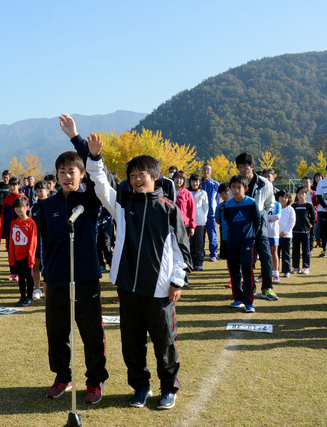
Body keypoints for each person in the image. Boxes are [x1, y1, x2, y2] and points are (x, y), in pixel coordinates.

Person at [86, 133, 192, 410]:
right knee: (132, 343)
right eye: (132, 175)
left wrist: (177, 281)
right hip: (128, 288)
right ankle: (140, 386)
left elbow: (182, 250)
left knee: (164, 342)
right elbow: (101, 186)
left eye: (141, 174)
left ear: (155, 177)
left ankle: (169, 387)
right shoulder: (123, 205)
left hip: (159, 291)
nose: (135, 179)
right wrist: (95, 158)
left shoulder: (168, 209)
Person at [41, 115, 109, 405]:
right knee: (57, 332)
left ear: (81, 175)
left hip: (85, 277)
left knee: (91, 332)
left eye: (73, 171)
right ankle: (62, 377)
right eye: (62, 171)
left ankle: (94, 381)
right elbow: (45, 243)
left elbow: (100, 174)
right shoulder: (46, 206)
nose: (68, 176)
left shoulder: (90, 199)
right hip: (56, 279)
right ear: (55, 175)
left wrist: (77, 140)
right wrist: (45, 275)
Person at [235, 153, 278, 301]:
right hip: (244, 226)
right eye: (240, 167)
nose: (243, 169)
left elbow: (269, 204)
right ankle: (250, 287)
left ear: (252, 167)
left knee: (266, 257)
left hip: (261, 225)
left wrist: (258, 214)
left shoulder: (264, 183)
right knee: (247, 260)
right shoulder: (237, 182)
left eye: (245, 166)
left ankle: (267, 288)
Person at [225, 174, 260, 313]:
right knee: (234, 272)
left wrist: (251, 237)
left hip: (247, 243)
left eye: (239, 187)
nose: (236, 190)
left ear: (245, 188)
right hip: (232, 243)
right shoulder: (227, 205)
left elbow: (257, 221)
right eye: (233, 187)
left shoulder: (251, 203)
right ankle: (237, 298)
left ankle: (248, 301)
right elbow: (227, 222)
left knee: (247, 271)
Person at [8, 196, 37, 306]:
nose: (18, 210)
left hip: (27, 256)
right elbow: (11, 241)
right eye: (16, 207)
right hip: (17, 256)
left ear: (27, 208)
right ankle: (22, 296)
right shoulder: (13, 223)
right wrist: (11, 257)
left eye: (21, 207)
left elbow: (33, 241)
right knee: (20, 278)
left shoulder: (31, 223)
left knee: (29, 277)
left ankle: (30, 297)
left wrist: (31, 257)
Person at [2, 177, 27, 281]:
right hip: (9, 230)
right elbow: (4, 216)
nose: (12, 187)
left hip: (21, 230)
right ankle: (13, 272)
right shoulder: (6, 199)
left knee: (20, 251)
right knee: (10, 252)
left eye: (15, 185)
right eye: (11, 185)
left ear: (19, 186)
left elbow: (27, 215)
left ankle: (21, 272)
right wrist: (4, 231)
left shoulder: (23, 199)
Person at [31, 180, 50, 299]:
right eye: (37, 191)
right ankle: (37, 289)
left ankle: (48, 286)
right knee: (36, 264)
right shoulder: (34, 208)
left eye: (41, 190)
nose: (39, 193)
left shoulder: (52, 205)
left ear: (48, 191)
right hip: (37, 240)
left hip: (49, 241)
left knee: (49, 264)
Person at [291, 187, 315, 275]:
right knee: (295, 250)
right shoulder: (294, 205)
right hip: (295, 231)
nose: (301, 195)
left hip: (305, 231)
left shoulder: (309, 205)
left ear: (306, 195)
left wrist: (311, 224)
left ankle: (306, 267)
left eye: (303, 193)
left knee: (306, 250)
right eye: (299, 193)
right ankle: (296, 267)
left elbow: (313, 217)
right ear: (296, 195)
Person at [200, 163, 220, 261]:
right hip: (200, 215)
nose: (206, 171)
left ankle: (213, 254)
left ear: (211, 172)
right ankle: (201, 253)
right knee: (200, 236)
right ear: (202, 171)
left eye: (208, 170)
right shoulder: (198, 184)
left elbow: (217, 199)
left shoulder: (216, 184)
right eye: (204, 169)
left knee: (212, 236)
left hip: (211, 215)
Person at [173, 171, 196, 249]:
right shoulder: (168, 192)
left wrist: (192, 226)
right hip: (171, 224)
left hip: (184, 225)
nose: (178, 180)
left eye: (181, 178)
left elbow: (192, 210)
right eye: (176, 178)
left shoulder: (187, 193)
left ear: (184, 181)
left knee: (183, 247)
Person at [190, 173, 208, 271]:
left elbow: (206, 208)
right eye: (193, 181)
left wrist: (203, 219)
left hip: (200, 222)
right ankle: (191, 263)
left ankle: (199, 263)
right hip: (189, 223)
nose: (195, 183)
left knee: (199, 243)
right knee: (190, 244)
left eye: (197, 181)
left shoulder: (203, 193)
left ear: (199, 182)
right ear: (190, 182)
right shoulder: (187, 192)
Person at [277, 190, 295, 279]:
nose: (283, 199)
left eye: (285, 197)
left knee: (286, 254)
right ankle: (275, 270)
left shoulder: (290, 209)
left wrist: (284, 233)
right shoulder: (274, 208)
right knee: (275, 254)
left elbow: (292, 222)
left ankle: (286, 271)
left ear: (288, 199)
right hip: (275, 235)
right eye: (281, 197)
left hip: (286, 236)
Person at [265, 187, 281, 284]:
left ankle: (276, 274)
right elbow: (260, 215)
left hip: (274, 232)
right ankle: (265, 273)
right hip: (264, 232)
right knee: (265, 254)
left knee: (274, 253)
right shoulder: (263, 204)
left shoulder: (277, 204)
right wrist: (270, 218)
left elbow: (278, 216)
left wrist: (267, 218)